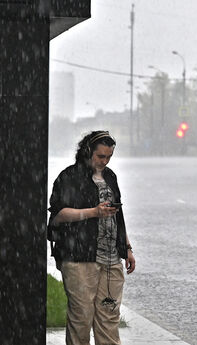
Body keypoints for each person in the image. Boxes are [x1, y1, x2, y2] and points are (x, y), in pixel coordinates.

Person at [48, 131, 136, 345]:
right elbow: (58, 216)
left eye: (109, 157)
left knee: (109, 317)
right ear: (87, 152)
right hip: (78, 257)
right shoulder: (69, 177)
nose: (104, 162)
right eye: (100, 157)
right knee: (81, 318)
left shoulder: (110, 176)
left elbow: (118, 215)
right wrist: (93, 212)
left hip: (111, 259)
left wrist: (127, 248)